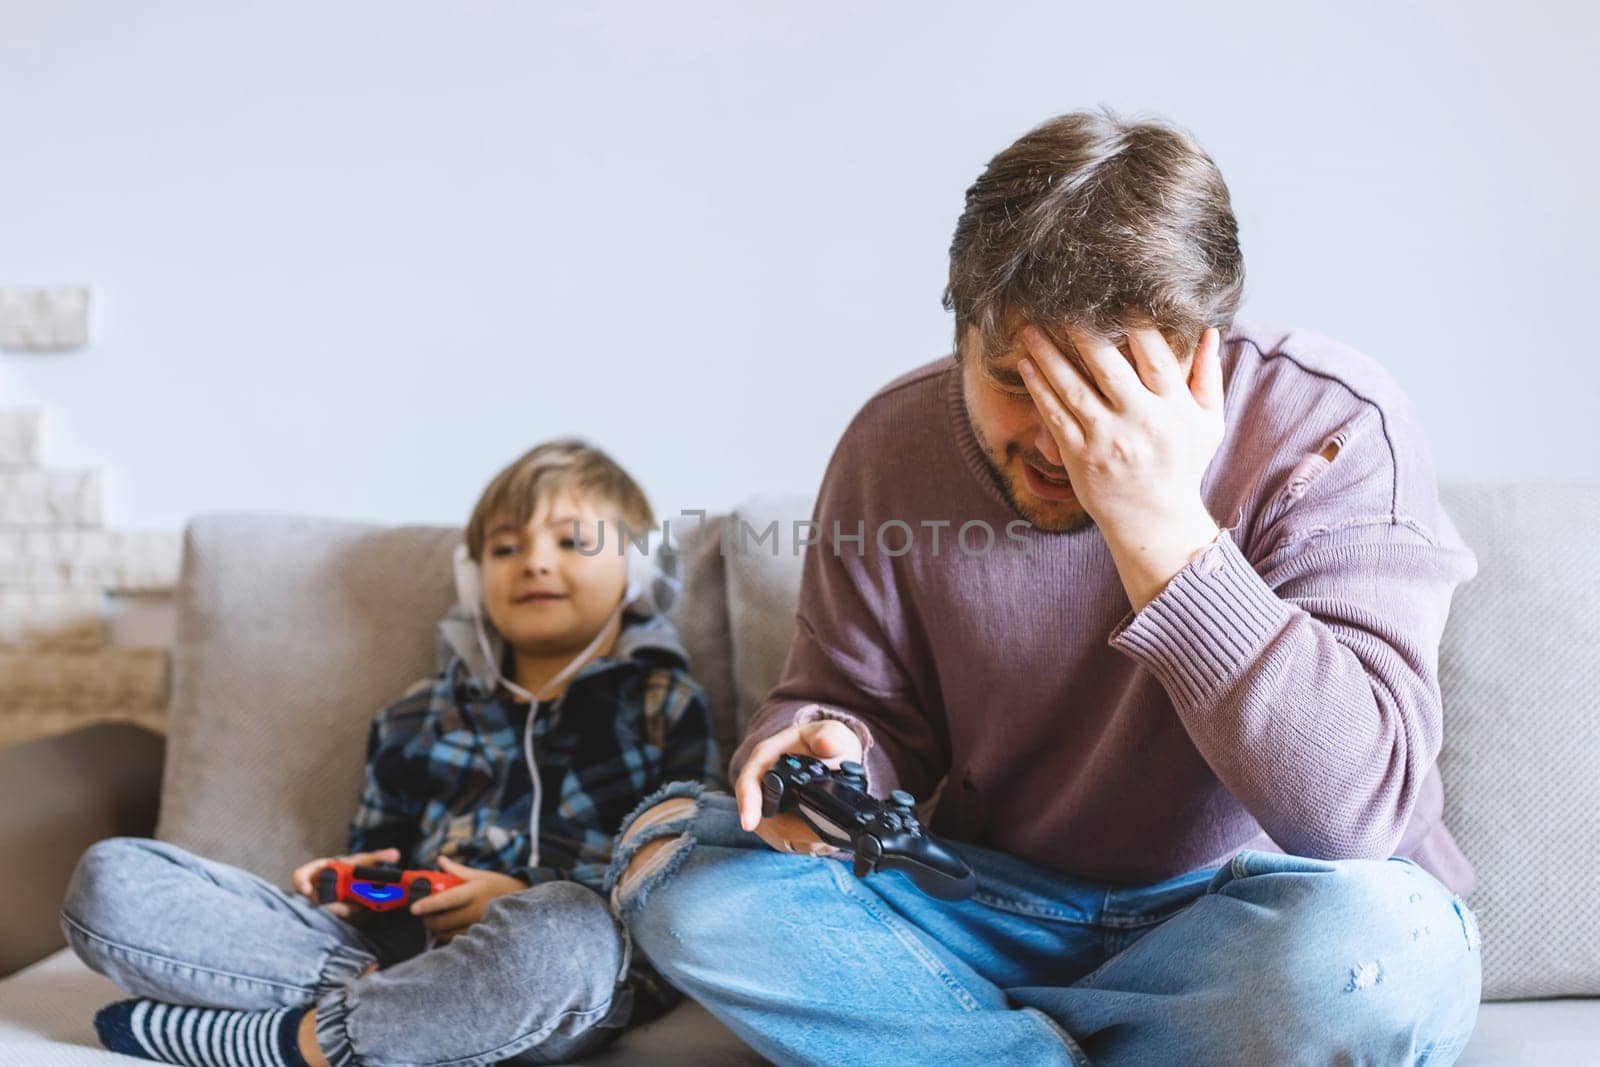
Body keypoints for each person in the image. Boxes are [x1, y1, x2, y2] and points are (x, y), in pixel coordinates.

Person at [603, 109, 1484, 1066]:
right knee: (675, 852)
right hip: (995, 908)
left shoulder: (1330, 424)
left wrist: (1159, 522)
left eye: (1107, 389)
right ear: (961, 333)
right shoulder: (889, 445)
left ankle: (960, 1040)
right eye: (1020, 380)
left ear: (1206, 350)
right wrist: (832, 747)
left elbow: (1353, 816)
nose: (1064, 439)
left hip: (1256, 916)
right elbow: (857, 707)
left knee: (1396, 950)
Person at [60, 438, 726, 1067]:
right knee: (111, 881)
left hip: (562, 969)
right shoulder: (416, 714)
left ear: (637, 571)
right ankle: (412, 1011)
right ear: (473, 580)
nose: (536, 561)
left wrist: (518, 891)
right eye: (505, 546)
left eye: (572, 541)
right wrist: (354, 885)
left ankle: (296, 1041)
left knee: (559, 937)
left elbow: (677, 870)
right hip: (400, 952)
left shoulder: (660, 702)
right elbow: (381, 850)